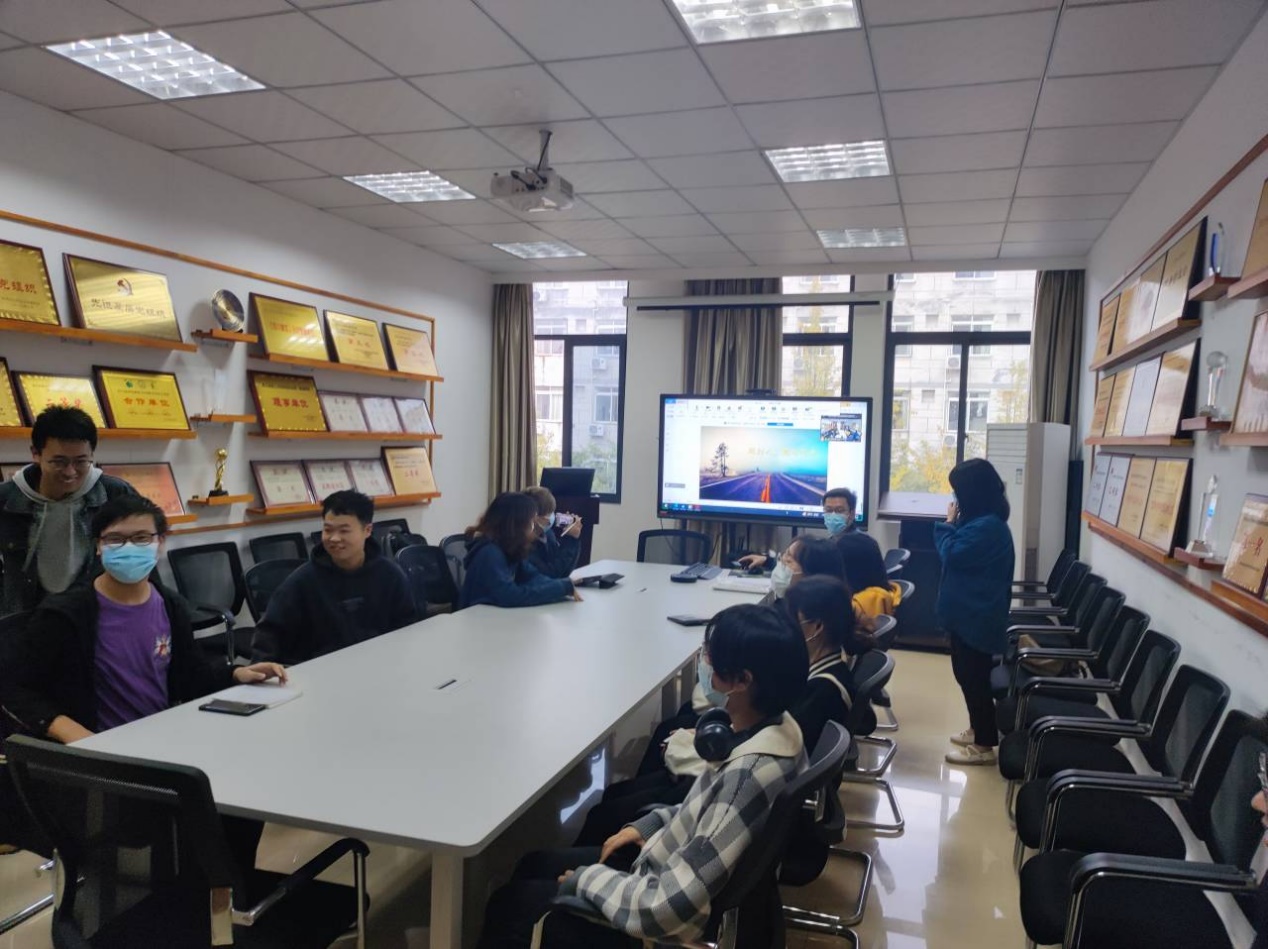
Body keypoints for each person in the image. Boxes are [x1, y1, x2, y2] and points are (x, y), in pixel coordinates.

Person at [476, 604, 808, 949]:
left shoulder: (745, 777)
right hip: (667, 864)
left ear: (743, 680)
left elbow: (669, 907)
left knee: (510, 904)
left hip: (661, 915)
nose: (705, 663)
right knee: (534, 864)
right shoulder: (778, 729)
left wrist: (587, 881)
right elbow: (707, 813)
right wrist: (651, 824)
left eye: (712, 657)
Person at [0, 495, 286, 863]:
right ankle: (196, 885)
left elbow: (189, 677)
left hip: (161, 743)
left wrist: (235, 673)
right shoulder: (65, 614)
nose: (128, 548)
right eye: (115, 539)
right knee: (208, 811)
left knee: (247, 796)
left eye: (141, 538)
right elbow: (14, 687)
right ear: (98, 547)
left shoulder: (169, 604)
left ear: (160, 542)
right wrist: (71, 732)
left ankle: (227, 888)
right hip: (104, 759)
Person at [574, 577, 867, 847]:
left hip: (708, 801)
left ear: (816, 627)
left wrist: (693, 746)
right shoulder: (812, 680)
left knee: (606, 812)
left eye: (790, 617)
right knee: (619, 793)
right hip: (713, 791)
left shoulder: (821, 694)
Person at [252, 490, 417, 665]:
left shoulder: (390, 575)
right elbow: (270, 632)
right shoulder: (302, 581)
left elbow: (407, 627)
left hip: (380, 664)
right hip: (320, 669)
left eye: (344, 531)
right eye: (328, 530)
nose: (334, 538)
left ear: (367, 530)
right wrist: (261, 668)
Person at [0, 406, 137, 616]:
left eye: (81, 461)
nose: (70, 472)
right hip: (26, 620)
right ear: (36, 454)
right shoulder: (6, 500)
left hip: (97, 618)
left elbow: (142, 556)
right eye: (59, 462)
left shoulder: (115, 494)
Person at [935, 458, 1015, 766]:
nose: (955, 498)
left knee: (974, 678)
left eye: (958, 491)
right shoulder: (981, 522)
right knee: (966, 675)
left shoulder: (988, 527)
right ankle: (977, 728)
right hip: (967, 615)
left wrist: (947, 524)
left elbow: (952, 553)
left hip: (976, 617)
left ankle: (983, 745)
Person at [461, 492, 580, 608]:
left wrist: (563, 585)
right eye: (531, 523)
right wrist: (561, 588)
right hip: (477, 617)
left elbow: (532, 576)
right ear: (515, 525)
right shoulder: (490, 553)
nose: (533, 529)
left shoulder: (508, 548)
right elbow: (509, 595)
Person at [523, 485, 583, 579]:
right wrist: (570, 540)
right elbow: (551, 574)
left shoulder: (548, 534)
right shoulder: (525, 545)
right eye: (549, 513)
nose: (552, 517)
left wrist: (573, 540)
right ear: (536, 518)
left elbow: (564, 572)